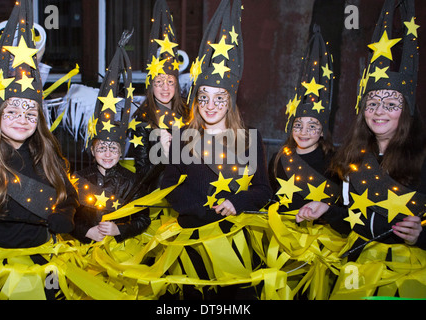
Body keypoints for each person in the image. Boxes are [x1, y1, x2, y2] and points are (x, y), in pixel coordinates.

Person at [295, 0, 426, 298]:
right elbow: (356, 218)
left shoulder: (422, 158)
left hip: (405, 277)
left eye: (391, 103)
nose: (379, 110)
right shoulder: (353, 157)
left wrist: (422, 235)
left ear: (405, 111)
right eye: (373, 102)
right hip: (356, 268)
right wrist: (326, 210)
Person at [160, 0, 271, 299]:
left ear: (230, 101)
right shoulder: (182, 137)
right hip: (192, 240)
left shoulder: (249, 139)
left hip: (235, 240)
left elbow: (263, 190)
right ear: (196, 101)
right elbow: (168, 183)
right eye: (204, 97)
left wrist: (237, 202)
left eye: (219, 98)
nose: (210, 106)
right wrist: (196, 211)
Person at [0, 0, 78, 250]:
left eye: (30, 113)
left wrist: (65, 216)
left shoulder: (47, 158)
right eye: (12, 111)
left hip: (41, 262)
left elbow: (69, 198)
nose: (22, 119)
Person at [71, 30, 150, 244]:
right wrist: (86, 231)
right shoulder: (77, 178)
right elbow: (64, 215)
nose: (107, 153)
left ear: (121, 151)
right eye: (102, 148)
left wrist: (120, 229)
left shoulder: (132, 182)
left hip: (121, 253)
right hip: (83, 252)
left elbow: (143, 219)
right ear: (92, 149)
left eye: (113, 148)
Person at [269, 26, 340, 214]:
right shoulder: (279, 160)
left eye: (312, 126)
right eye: (298, 125)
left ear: (323, 130)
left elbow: (341, 205)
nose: (304, 131)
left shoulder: (335, 163)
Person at [129, 0, 189, 192]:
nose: (165, 88)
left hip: (188, 195)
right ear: (150, 86)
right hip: (157, 197)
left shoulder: (189, 115)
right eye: (159, 82)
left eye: (170, 82)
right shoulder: (142, 120)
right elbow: (142, 173)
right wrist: (163, 154)